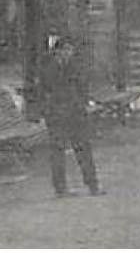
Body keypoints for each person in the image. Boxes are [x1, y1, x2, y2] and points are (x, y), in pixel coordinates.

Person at [38, 36, 100, 197]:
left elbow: (81, 87)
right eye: (66, 49)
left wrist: (83, 103)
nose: (69, 53)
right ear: (57, 51)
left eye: (70, 50)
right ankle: (60, 188)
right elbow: (44, 91)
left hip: (75, 112)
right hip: (57, 114)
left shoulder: (74, 67)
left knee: (83, 148)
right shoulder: (48, 68)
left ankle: (93, 184)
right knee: (58, 150)